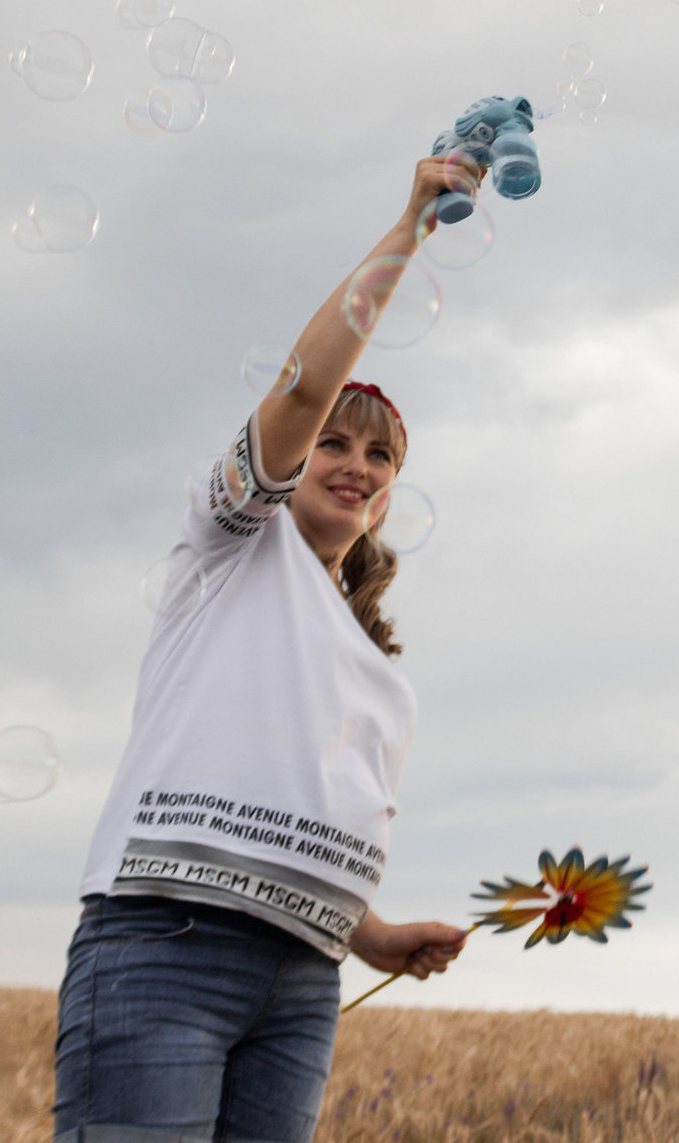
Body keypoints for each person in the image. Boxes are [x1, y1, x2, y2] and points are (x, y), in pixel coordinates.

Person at [53, 154, 477, 1143]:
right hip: (165, 940)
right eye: (336, 442)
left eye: (379, 457)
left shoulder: (374, 659)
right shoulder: (231, 546)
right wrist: (411, 223)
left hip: (302, 976)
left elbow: (298, 794)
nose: (357, 465)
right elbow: (302, 385)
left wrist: (369, 934)